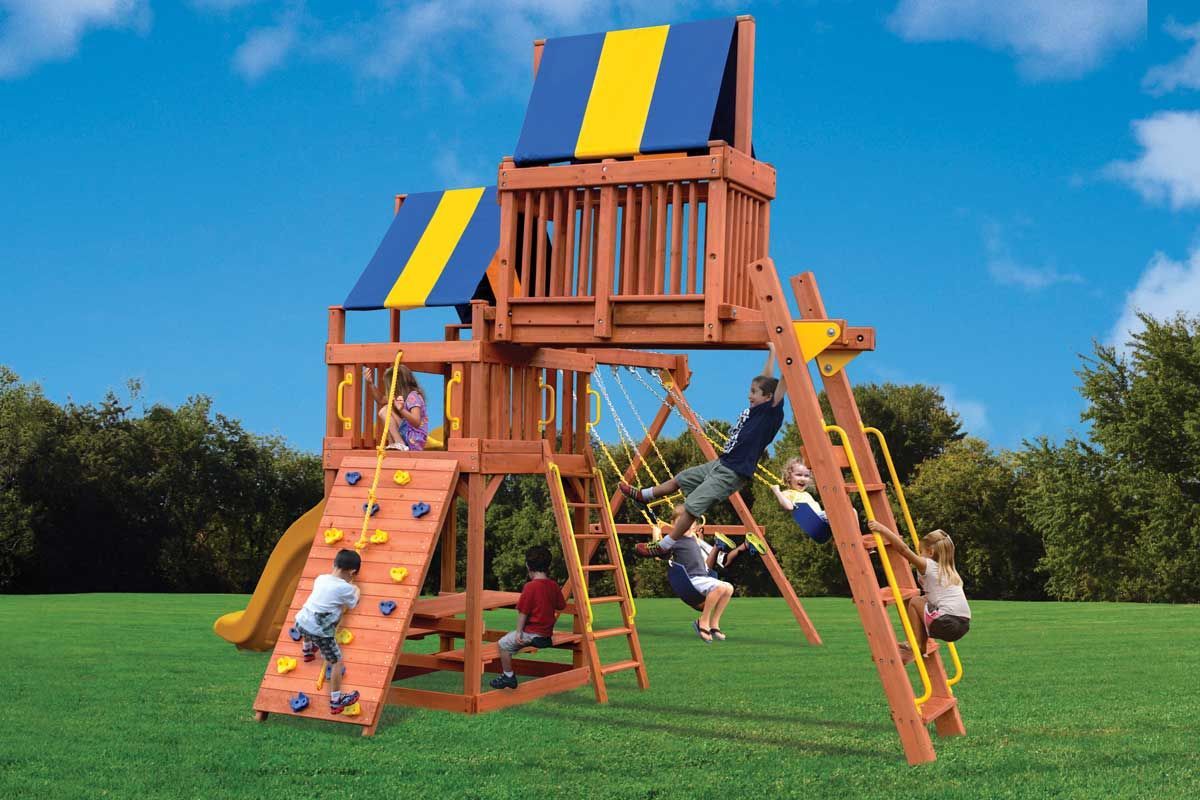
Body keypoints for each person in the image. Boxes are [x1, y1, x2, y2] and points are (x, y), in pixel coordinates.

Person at [626, 343, 787, 558]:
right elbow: (766, 380)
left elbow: (782, 384)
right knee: (681, 479)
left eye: (754, 392)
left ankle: (665, 545)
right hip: (721, 463)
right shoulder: (758, 408)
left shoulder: (770, 413)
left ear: (768, 397)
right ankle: (645, 495)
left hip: (733, 471)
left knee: (691, 507)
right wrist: (773, 352)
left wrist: (789, 357)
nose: (749, 395)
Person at [866, 520, 971, 663]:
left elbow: (903, 550)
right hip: (963, 624)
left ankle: (915, 642)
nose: (919, 555)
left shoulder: (929, 565)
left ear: (930, 552)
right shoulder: (949, 570)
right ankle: (920, 645)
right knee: (923, 601)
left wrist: (882, 529)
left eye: (920, 552)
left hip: (947, 621)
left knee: (915, 601)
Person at [648, 511, 734, 643]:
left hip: (703, 577)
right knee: (718, 587)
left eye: (689, 523)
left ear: (694, 526)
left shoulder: (693, 538)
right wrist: (656, 534)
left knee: (728, 588)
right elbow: (659, 555)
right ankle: (703, 622)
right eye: (681, 523)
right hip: (691, 579)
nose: (685, 525)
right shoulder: (673, 540)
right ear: (673, 525)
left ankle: (714, 624)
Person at [294, 549, 362, 714]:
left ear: (334, 564)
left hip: (300, 622)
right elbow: (353, 603)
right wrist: (356, 588)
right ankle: (336, 701)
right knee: (337, 661)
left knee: (310, 618)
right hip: (319, 632)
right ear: (352, 572)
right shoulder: (346, 588)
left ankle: (307, 650)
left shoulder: (320, 578)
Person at [489, 545, 566, 689]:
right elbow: (561, 606)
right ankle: (538, 640)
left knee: (503, 644)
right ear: (548, 566)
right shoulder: (553, 585)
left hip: (532, 633)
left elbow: (523, 612)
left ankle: (508, 676)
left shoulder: (530, 587)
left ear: (527, 566)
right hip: (546, 634)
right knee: (514, 642)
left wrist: (519, 631)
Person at [364, 365, 428, 451]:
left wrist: (401, 410)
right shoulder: (400, 395)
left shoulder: (413, 396)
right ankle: (394, 443)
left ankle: (399, 443)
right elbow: (381, 400)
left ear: (397, 384)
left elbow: (416, 422)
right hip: (408, 434)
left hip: (414, 439)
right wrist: (370, 384)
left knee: (385, 410)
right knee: (386, 408)